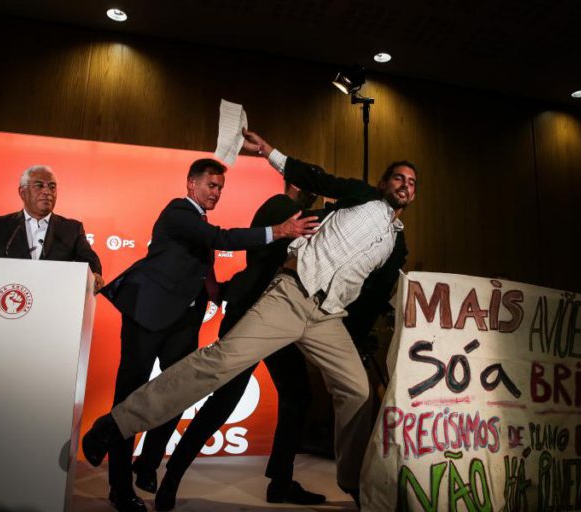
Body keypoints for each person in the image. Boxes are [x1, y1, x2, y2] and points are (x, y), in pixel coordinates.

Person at [83, 133, 417, 509]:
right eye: (398, 178)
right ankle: (116, 426)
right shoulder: (357, 199)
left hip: (327, 317)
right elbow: (313, 179)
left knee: (355, 390)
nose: (405, 186)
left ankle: (353, 482)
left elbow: (373, 297)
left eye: (412, 183)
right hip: (289, 296)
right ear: (384, 184)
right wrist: (269, 152)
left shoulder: (396, 243)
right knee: (218, 366)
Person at [97, 158, 318, 512]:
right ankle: (119, 487)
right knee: (128, 401)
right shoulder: (178, 212)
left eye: (220, 188)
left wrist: (221, 293)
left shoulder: (198, 220)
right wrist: (278, 232)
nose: (216, 193)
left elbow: (205, 268)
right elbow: (219, 239)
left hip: (183, 324)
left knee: (180, 392)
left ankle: (148, 463)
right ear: (191, 184)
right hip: (146, 316)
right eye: (211, 186)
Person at [0, 165, 103, 290]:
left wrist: (94, 274)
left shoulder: (72, 229)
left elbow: (89, 260)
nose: (47, 191)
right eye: (39, 186)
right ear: (22, 192)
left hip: (54, 302)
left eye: (52, 187)